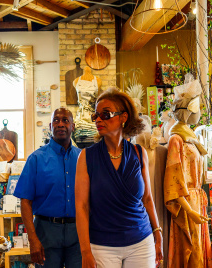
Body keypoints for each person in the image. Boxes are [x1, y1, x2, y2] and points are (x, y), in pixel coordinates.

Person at [75, 88, 163, 268]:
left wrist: (158, 232)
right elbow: (82, 207)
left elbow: (147, 198)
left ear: (123, 117)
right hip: (102, 245)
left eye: (105, 114)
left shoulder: (139, 153)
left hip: (141, 241)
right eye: (96, 115)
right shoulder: (86, 157)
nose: (98, 119)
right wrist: (85, 252)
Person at [14, 108, 81, 268]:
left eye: (65, 120)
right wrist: (32, 239)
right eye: (56, 121)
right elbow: (25, 202)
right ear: (50, 126)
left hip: (77, 234)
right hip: (45, 232)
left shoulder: (83, 158)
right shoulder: (36, 159)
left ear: (72, 126)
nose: (60, 124)